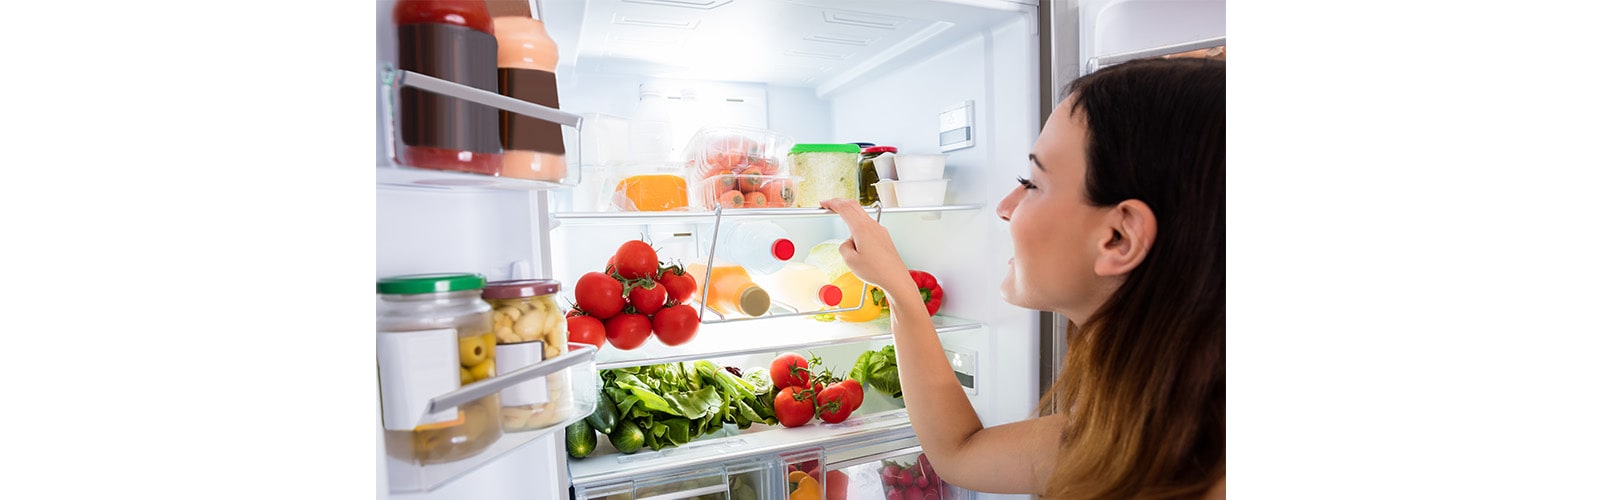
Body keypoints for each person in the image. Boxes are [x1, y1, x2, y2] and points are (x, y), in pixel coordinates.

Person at [820, 57, 1224, 499]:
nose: (1006, 207)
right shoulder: (1151, 430)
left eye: (1031, 182)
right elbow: (959, 453)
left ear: (1118, 238)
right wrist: (899, 290)